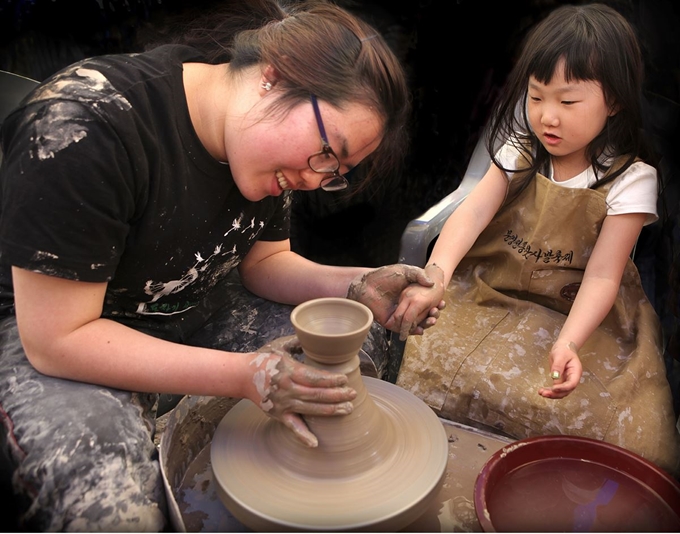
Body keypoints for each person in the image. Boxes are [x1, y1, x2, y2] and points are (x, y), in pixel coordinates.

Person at [0, 0, 444, 530]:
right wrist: (246, 376)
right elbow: (57, 340)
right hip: (63, 337)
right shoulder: (88, 126)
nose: (315, 178)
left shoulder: (260, 147)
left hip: (190, 304)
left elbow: (265, 264)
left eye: (337, 171)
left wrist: (359, 284)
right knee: (117, 514)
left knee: (345, 358)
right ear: (273, 76)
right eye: (328, 152)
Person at [390, 3, 680, 476]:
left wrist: (569, 342)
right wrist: (438, 274)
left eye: (567, 102)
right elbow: (471, 214)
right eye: (536, 96)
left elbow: (604, 275)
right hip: (493, 289)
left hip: (580, 311)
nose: (548, 117)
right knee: (437, 359)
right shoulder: (522, 150)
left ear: (615, 102)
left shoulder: (630, 179)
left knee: (622, 421)